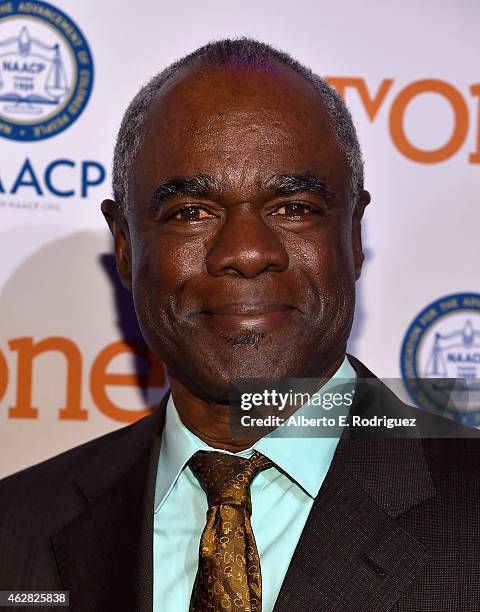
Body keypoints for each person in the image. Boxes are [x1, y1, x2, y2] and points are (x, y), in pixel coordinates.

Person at [0, 38, 479, 612]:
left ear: (353, 234)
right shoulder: (15, 531)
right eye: (191, 212)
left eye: (294, 207)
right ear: (125, 247)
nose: (247, 252)